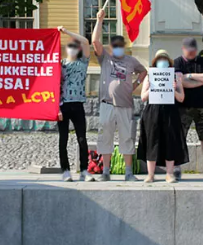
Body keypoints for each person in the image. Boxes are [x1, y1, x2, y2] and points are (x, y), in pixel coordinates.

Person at [92, 9, 147, 182]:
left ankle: (128, 172)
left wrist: (136, 85)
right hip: (107, 104)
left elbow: (143, 71)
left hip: (125, 105)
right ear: (111, 48)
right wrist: (99, 20)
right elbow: (94, 41)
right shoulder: (105, 59)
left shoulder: (131, 61)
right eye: (114, 46)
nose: (117, 49)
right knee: (105, 137)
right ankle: (106, 171)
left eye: (120, 46)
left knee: (126, 137)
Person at [137, 50, 189, 183]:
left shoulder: (175, 77)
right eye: (160, 60)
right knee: (152, 141)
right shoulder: (150, 76)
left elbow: (181, 98)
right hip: (152, 111)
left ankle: (169, 173)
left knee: (170, 141)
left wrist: (174, 89)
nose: (162, 62)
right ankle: (150, 174)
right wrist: (152, 88)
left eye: (165, 60)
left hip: (170, 111)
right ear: (155, 62)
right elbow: (143, 97)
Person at [173, 37, 203, 180]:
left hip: (202, 106)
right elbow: (181, 83)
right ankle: (176, 168)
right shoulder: (177, 62)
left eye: (193, 51)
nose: (191, 53)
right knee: (179, 138)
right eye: (189, 50)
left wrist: (191, 76)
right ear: (183, 49)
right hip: (182, 107)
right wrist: (201, 80)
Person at [57, 26, 95, 182]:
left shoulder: (83, 62)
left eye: (75, 46)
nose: (72, 49)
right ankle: (65, 170)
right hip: (63, 105)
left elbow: (86, 42)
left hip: (78, 104)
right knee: (63, 139)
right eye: (70, 47)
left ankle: (84, 170)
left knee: (82, 139)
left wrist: (66, 32)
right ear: (66, 49)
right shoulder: (60, 64)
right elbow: (55, 87)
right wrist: (57, 108)